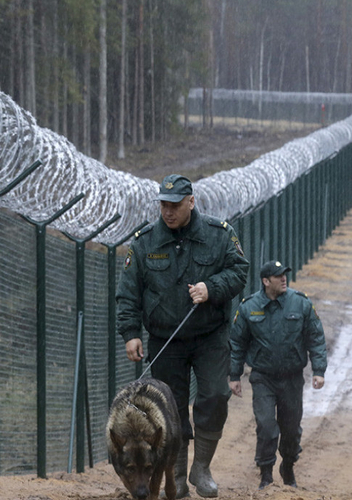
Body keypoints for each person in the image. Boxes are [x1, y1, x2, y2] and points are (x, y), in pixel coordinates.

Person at [116, 174, 249, 498]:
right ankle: (175, 476)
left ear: (191, 202)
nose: (168, 212)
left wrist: (211, 287)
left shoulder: (219, 235)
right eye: (163, 204)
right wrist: (131, 333)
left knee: (216, 395)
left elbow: (239, 271)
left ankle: (201, 467)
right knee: (168, 411)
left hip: (210, 335)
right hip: (165, 340)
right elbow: (129, 292)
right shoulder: (145, 242)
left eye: (175, 205)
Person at [229, 260, 327, 490]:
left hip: (292, 378)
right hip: (263, 377)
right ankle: (266, 474)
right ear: (265, 281)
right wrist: (234, 376)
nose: (283, 279)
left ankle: (288, 466)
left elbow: (316, 337)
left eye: (284, 275)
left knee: (291, 429)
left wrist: (319, 370)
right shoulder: (248, 307)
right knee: (266, 425)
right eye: (277, 276)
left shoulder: (300, 303)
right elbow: (237, 343)